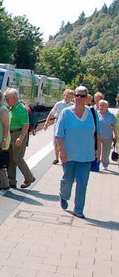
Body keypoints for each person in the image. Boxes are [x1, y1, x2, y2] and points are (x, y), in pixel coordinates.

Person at [55, 86, 101, 219]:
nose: (79, 98)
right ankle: (64, 196)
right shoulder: (66, 113)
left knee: (82, 182)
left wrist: (99, 150)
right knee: (68, 180)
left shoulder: (92, 113)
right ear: (74, 97)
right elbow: (59, 135)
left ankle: (78, 209)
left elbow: (98, 132)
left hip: (86, 155)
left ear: (87, 98)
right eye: (77, 95)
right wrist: (61, 152)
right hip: (69, 154)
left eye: (82, 96)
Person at [4, 88, 35, 188]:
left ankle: (29, 177)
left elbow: (26, 124)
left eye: (7, 98)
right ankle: (12, 181)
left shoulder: (20, 108)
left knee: (17, 158)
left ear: (13, 98)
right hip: (12, 134)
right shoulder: (12, 107)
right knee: (11, 159)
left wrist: (21, 138)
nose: (6, 100)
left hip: (18, 134)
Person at [44, 89, 75, 164]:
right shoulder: (58, 104)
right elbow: (51, 113)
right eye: (66, 96)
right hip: (57, 123)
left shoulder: (72, 105)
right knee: (56, 140)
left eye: (69, 97)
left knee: (66, 141)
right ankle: (56, 158)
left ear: (71, 98)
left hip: (68, 124)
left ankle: (64, 156)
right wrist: (46, 123)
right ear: (64, 95)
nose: (67, 98)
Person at [96, 100, 117, 169]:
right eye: (100, 105)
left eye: (103, 105)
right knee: (96, 150)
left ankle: (105, 164)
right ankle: (96, 163)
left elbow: (114, 126)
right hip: (97, 136)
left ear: (107, 107)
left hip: (107, 136)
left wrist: (116, 136)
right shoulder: (96, 114)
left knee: (106, 151)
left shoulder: (111, 116)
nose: (101, 107)